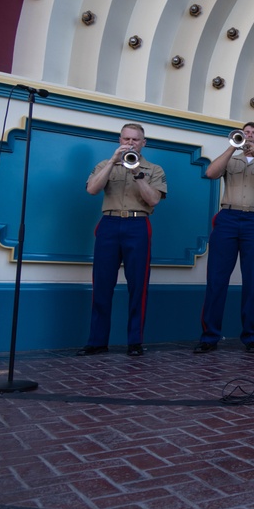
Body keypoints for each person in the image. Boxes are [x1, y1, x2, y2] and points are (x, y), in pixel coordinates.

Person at [194, 123, 254, 354]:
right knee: (216, 279)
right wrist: (232, 148)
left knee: (253, 280)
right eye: (246, 133)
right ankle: (209, 336)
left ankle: (252, 336)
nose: (249, 136)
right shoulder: (230, 159)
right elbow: (210, 173)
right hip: (228, 217)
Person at [78, 123, 167, 357]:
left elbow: (153, 200)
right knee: (102, 285)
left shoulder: (154, 169)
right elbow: (92, 190)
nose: (130, 144)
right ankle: (97, 341)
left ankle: (135, 342)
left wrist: (137, 173)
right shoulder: (104, 164)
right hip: (109, 224)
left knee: (138, 286)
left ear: (143, 143)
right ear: (119, 140)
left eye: (135, 140)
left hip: (138, 224)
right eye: (126, 139)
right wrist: (112, 162)